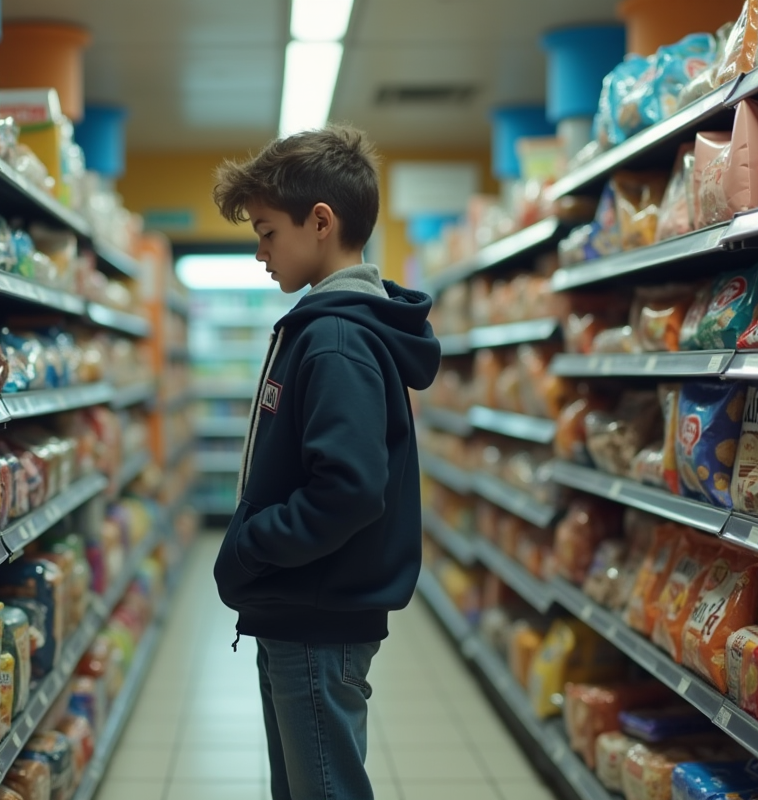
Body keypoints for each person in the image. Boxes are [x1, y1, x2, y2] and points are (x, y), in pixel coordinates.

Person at [210, 125, 442, 800]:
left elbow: (348, 490)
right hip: (301, 607)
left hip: (315, 615)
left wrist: (252, 545)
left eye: (266, 232)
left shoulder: (336, 338)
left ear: (320, 222)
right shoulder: (327, 327)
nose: (260, 252)